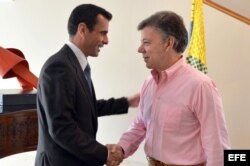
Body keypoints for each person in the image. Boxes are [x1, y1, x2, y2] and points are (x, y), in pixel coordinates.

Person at [116, 11, 230, 166]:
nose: (140, 49)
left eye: (146, 42)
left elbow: (217, 147)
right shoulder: (149, 82)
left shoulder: (201, 86)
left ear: (169, 43)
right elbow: (140, 124)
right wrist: (121, 149)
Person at [35, 4, 139, 166]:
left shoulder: (75, 64)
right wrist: (104, 153)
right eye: (103, 33)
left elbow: (85, 108)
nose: (106, 40)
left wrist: (127, 102)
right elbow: (62, 129)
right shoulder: (59, 67)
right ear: (82, 30)